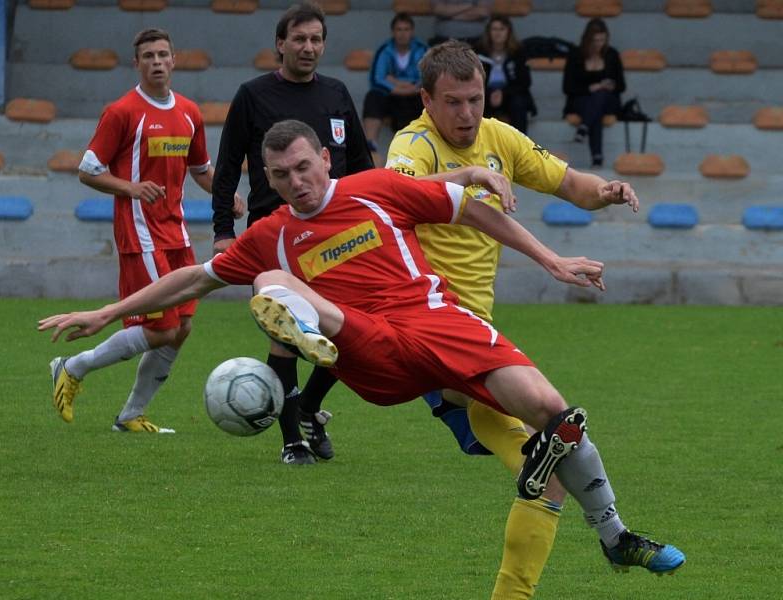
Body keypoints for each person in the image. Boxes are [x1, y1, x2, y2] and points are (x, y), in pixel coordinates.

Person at [39, 120, 685, 595]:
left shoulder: (375, 189)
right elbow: (194, 278)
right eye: (283, 175)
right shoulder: (274, 234)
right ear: (269, 179)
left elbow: (472, 208)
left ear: (325, 159)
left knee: (557, 418)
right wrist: (105, 313)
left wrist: (552, 259)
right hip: (366, 346)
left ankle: (615, 537)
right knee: (267, 280)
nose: (297, 182)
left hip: (442, 323)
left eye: (304, 168)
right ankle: (302, 329)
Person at [385, 40, 642, 597]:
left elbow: (572, 185)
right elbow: (394, 192)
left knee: (546, 474)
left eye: (474, 99)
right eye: (452, 102)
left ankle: (607, 537)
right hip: (426, 324)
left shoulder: (501, 136)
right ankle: (614, 531)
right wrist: (469, 173)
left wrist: (608, 190)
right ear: (425, 100)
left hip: (475, 332)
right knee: (553, 412)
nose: (466, 114)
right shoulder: (413, 143)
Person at [49, 28, 242, 433]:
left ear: (175, 60)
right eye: (148, 56)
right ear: (136, 63)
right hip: (141, 234)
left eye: (163, 55)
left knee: (181, 328)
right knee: (161, 330)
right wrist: (131, 188)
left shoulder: (189, 112)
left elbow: (201, 170)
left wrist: (227, 197)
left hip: (177, 234)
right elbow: (88, 169)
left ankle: (131, 416)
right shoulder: (122, 111)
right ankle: (71, 367)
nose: (156, 62)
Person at [210, 1, 374, 465]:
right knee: (283, 335)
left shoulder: (338, 93)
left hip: (338, 235)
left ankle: (308, 404)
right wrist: (224, 229)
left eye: (316, 39)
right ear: (279, 44)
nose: (308, 47)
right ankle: (292, 441)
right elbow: (226, 170)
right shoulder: (252, 94)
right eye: (299, 39)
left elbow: (361, 167)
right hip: (273, 233)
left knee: (347, 335)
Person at [361, 12, 427, 156]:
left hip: (414, 96)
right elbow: (377, 80)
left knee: (428, 98)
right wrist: (402, 88)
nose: (403, 34)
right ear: (393, 32)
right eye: (399, 29)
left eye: (406, 29)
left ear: (412, 31)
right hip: (392, 96)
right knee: (373, 96)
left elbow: (426, 77)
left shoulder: (422, 49)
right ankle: (370, 144)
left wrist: (394, 81)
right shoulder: (384, 50)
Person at [562, 18, 626, 167]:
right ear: (587, 40)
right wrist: (591, 88)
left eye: (602, 40)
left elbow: (621, 86)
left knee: (600, 97)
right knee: (594, 110)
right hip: (581, 100)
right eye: (595, 40)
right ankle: (597, 157)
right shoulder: (576, 55)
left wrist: (610, 85)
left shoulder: (612, 55)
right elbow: (567, 87)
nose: (598, 44)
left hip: (607, 100)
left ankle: (584, 128)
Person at [476, 14, 536, 134]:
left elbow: (525, 82)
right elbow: (473, 80)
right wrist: (489, 93)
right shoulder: (479, 51)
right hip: (485, 93)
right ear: (489, 32)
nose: (498, 33)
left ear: (509, 32)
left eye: (502, 29)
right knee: (476, 102)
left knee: (518, 103)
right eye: (494, 29)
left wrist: (503, 93)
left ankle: (520, 146)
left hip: (510, 93)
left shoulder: (518, 52)